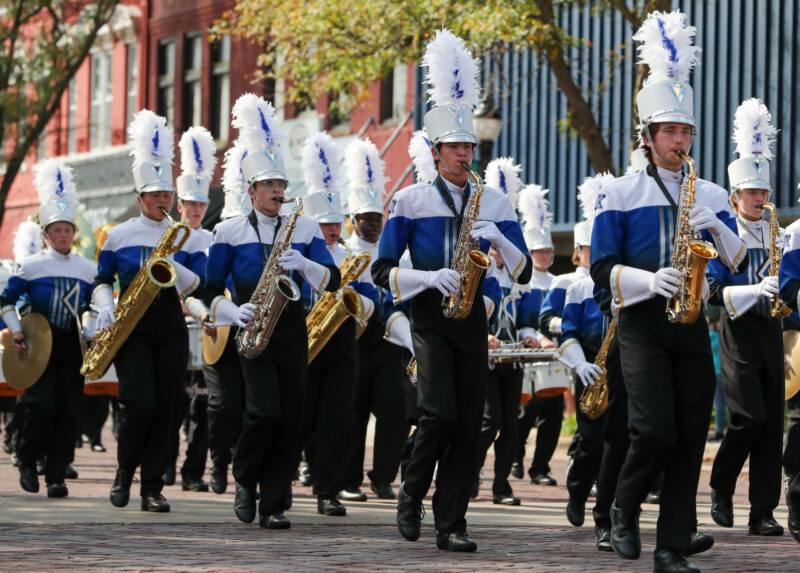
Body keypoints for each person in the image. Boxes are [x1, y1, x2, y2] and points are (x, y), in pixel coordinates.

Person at [591, 11, 747, 572]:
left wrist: (718, 226)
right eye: (670, 132)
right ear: (648, 137)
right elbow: (601, 267)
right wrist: (648, 279)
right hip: (641, 321)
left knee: (688, 435)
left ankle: (671, 547)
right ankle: (622, 508)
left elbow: (737, 260)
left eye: (686, 132)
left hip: (691, 321)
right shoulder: (619, 192)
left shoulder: (710, 192)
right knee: (652, 427)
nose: (680, 141)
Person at [372, 29, 531, 552]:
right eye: (455, 147)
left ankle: (453, 522)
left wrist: (499, 243)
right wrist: (428, 277)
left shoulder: (495, 202)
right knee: (438, 413)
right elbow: (382, 271)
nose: (464, 154)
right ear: (436, 152)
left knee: (469, 425)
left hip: (472, 319)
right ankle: (411, 491)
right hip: (428, 316)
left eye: (469, 146)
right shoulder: (411, 201)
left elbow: (523, 272)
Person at [204, 93, 339, 529]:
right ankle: (245, 479)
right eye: (270, 186)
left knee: (291, 418)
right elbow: (208, 290)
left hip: (292, 330)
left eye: (281, 185)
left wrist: (306, 265)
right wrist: (232, 312)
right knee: (264, 413)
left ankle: (274, 503)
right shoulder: (227, 231)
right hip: (252, 328)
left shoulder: (306, 226)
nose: (279, 192)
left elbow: (333, 280)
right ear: (251, 191)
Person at [96, 110, 204, 513]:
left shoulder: (186, 236)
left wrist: (174, 262)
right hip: (132, 329)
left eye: (167, 195)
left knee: (169, 409)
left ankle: (152, 488)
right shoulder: (118, 235)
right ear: (140, 198)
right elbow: (102, 279)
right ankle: (125, 472)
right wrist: (104, 305)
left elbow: (198, 284)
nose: (163, 201)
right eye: (155, 195)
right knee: (139, 404)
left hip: (170, 327)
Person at [707, 98, 786, 536]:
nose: (760, 199)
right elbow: (712, 291)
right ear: (734, 196)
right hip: (737, 331)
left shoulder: (779, 233)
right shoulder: (723, 233)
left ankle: (763, 512)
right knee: (747, 418)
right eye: (752, 193)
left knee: (772, 425)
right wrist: (755, 290)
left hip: (772, 331)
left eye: (764, 192)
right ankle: (721, 487)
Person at [0, 160, 96, 498]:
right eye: (56, 230)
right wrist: (16, 332)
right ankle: (27, 461)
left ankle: (56, 476)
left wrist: (92, 328)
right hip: (38, 347)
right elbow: (5, 301)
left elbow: (93, 304)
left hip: (72, 348)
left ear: (74, 233)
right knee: (41, 408)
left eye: (68, 229)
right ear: (45, 235)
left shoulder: (87, 269)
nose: (63, 235)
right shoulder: (31, 266)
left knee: (69, 414)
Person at [297, 131, 374, 516]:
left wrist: (359, 306)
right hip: (304, 341)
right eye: (324, 223)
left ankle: (328, 491)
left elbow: (371, 301)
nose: (331, 229)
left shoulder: (352, 255)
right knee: (301, 416)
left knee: (337, 418)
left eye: (335, 222)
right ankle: (281, 476)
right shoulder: (297, 250)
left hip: (342, 343)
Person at [341, 138, 410, 501]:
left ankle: (383, 477)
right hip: (355, 343)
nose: (372, 224)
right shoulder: (345, 252)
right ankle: (348, 479)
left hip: (388, 344)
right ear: (353, 220)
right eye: (365, 218)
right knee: (353, 413)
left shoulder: (391, 250)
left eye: (377, 218)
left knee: (394, 413)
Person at [554, 172, 615, 528]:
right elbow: (568, 334)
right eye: (590, 248)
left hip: (625, 367)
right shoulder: (577, 289)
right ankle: (577, 495)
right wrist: (580, 365)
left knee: (619, 441)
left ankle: (608, 510)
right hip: (591, 368)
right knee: (591, 441)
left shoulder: (625, 279)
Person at [162, 125, 219, 492]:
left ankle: (193, 471)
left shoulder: (213, 240)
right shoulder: (169, 239)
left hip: (205, 326)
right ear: (180, 206)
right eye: (191, 204)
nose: (196, 210)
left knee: (204, 406)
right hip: (173, 326)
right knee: (173, 404)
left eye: (201, 205)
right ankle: (165, 464)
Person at [203, 139, 250, 495]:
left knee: (253, 408)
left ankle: (246, 469)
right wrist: (205, 311)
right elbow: (203, 289)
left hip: (255, 337)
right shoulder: (215, 247)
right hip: (220, 337)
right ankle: (219, 462)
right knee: (224, 405)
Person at [512, 183, 558, 482]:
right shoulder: (522, 284)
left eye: (548, 251)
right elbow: (520, 321)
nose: (544, 255)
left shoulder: (558, 282)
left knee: (553, 413)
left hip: (555, 355)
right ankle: (515, 458)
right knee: (527, 410)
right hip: (528, 354)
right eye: (539, 251)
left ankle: (540, 467)